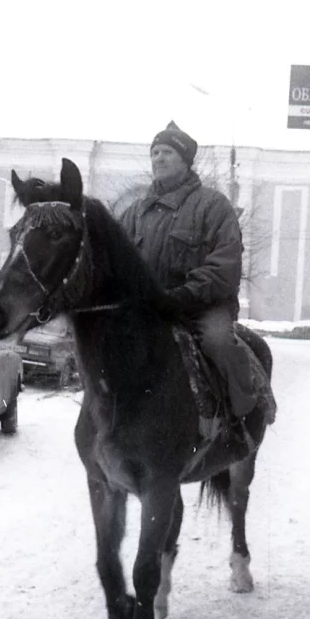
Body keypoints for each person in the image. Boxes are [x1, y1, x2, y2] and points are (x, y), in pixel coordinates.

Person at [120, 121, 257, 424]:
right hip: (149, 309)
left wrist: (184, 294)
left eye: (167, 151)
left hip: (202, 307)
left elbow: (226, 263)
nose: (158, 158)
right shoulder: (135, 213)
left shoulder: (213, 206)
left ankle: (239, 420)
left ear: (185, 160)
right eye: (154, 152)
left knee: (218, 343)